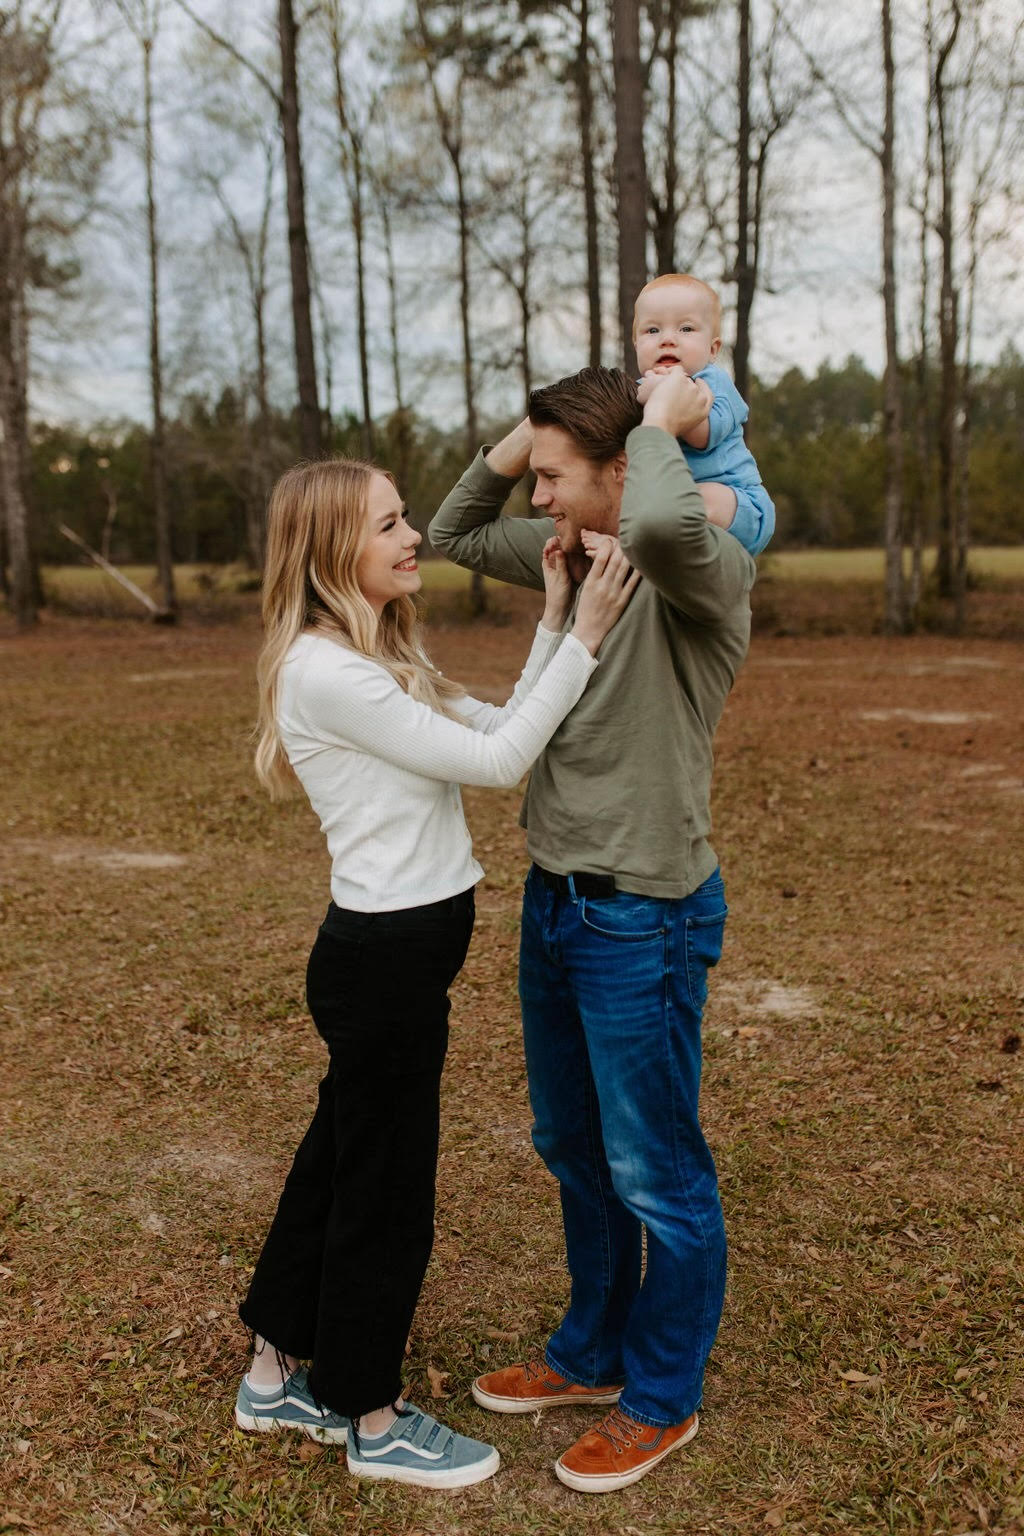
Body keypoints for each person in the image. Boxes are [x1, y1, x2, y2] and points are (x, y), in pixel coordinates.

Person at [234, 456, 638, 1490]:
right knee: (384, 1188)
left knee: (340, 1157)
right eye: (387, 525)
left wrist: (551, 614)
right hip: (383, 965)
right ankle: (369, 1416)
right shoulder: (333, 673)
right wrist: (588, 631)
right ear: (332, 552)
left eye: (405, 517)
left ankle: (275, 1369)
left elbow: (500, 723)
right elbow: (504, 765)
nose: (412, 536)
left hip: (393, 955)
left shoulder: (379, 658)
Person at [428, 365, 755, 1494]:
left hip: (643, 913)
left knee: (655, 1170)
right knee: (571, 1146)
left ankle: (660, 1395)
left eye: (561, 480)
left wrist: (662, 419)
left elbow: (664, 512)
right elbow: (453, 529)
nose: (539, 504)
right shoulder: (572, 551)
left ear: (622, 472)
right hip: (554, 898)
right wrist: (531, 436)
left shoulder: (701, 567)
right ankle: (592, 1351)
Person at [633, 272, 775, 557]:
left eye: (686, 329)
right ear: (636, 344)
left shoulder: (713, 382)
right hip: (676, 507)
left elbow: (702, 436)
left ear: (713, 349)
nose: (668, 339)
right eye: (652, 331)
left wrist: (660, 396)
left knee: (692, 500)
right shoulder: (637, 390)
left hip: (738, 502)